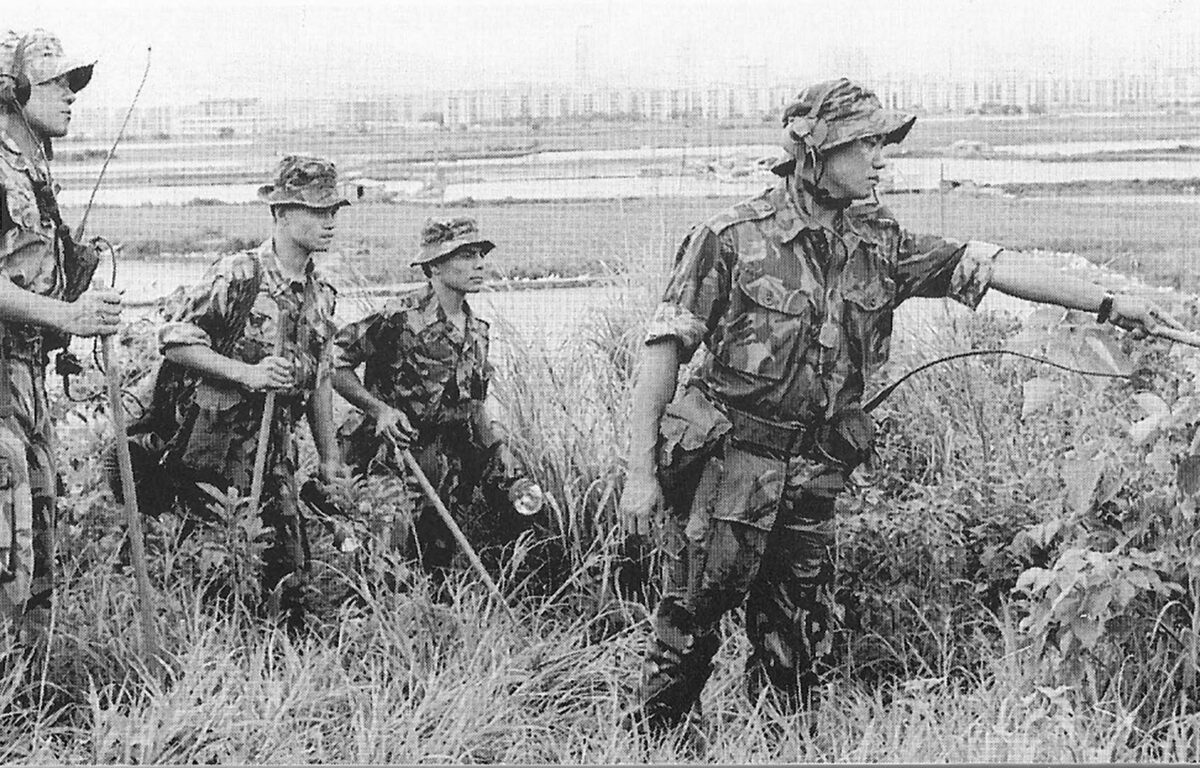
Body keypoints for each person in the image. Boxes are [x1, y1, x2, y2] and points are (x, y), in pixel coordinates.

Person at [617, 77, 1185, 729]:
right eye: (867, 144)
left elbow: (994, 266)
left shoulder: (880, 242)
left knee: (801, 637)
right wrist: (640, 474)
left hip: (812, 473)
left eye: (884, 143)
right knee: (691, 618)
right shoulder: (731, 238)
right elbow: (663, 350)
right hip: (729, 469)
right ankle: (650, 742)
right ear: (815, 153)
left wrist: (1110, 305)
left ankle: (783, 744)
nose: (882, 157)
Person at [149, 154, 347, 628]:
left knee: (290, 582)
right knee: (220, 578)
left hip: (276, 457)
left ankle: (281, 672)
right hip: (215, 454)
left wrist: (329, 456)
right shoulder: (240, 275)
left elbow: (319, 379)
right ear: (280, 213)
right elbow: (173, 341)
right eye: (316, 211)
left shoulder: (323, 295)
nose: (329, 222)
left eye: (333, 211)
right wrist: (247, 373)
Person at [330, 216, 530, 586]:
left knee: (440, 566)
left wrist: (500, 457)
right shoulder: (398, 318)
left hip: (446, 463)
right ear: (434, 265)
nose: (479, 264)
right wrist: (380, 410)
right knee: (385, 561)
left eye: (480, 254)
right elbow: (336, 364)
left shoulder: (477, 331)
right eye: (466, 255)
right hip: (392, 461)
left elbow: (474, 406)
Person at [0, 29, 116, 642]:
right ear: (15, 89)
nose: (70, 95)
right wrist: (67, 317)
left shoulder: (34, 172)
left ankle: (28, 689)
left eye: (73, 83)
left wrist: (79, 290)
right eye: (55, 83)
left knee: (37, 528)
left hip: (27, 376)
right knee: (7, 534)